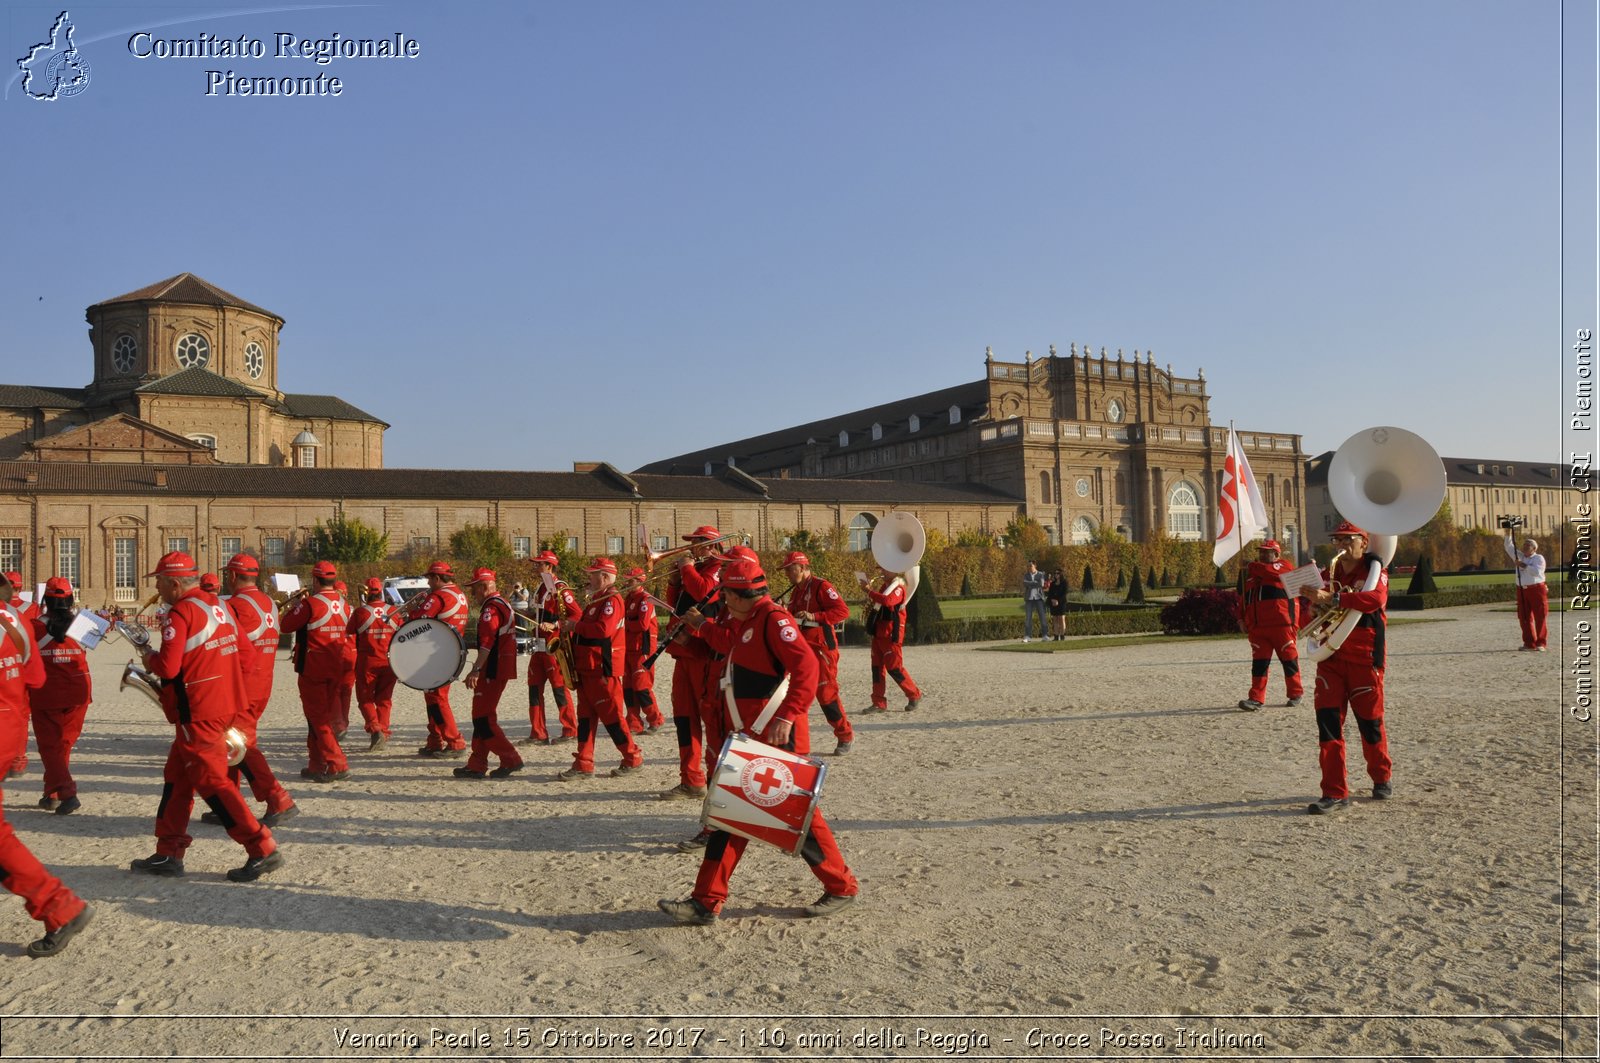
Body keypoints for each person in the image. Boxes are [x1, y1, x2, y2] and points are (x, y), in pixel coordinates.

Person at [658, 557, 860, 924]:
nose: (725, 603)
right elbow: (728, 643)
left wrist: (786, 715)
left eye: (727, 596)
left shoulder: (773, 619)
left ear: (738, 595)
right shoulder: (748, 619)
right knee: (730, 817)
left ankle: (842, 886)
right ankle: (705, 901)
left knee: (800, 817)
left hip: (776, 736)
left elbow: (807, 668)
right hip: (753, 737)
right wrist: (700, 630)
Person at [130, 551, 283, 881]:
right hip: (224, 705)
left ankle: (261, 847)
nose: (156, 587)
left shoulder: (180, 612)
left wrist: (149, 657)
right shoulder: (220, 606)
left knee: (212, 782)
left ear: (174, 583)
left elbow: (169, 667)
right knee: (177, 776)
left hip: (197, 711)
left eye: (158, 581)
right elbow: (245, 655)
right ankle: (168, 850)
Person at [0, 573, 93, 956]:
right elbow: (33, 675)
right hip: (41, 708)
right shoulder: (16, 620)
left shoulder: (33, 621)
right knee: (61, 748)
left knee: (55, 750)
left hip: (46, 700)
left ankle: (59, 906)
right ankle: (57, 789)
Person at [1297, 522, 1392, 814]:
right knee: (1327, 726)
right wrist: (1312, 608)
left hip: (1364, 659)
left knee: (1370, 724)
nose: (1340, 544)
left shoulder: (1376, 573)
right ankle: (1335, 792)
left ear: (1364, 542)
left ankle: (1381, 776)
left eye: (1347, 539)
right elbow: (1308, 610)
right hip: (1331, 660)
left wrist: (1335, 598)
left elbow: (1375, 599)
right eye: (1337, 539)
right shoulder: (1328, 575)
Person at [208, 554, 297, 827]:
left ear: (233, 576)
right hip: (264, 681)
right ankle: (229, 802)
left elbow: (221, 644)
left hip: (241, 685)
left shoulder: (234, 605)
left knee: (241, 745)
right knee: (233, 742)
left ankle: (278, 798)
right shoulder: (270, 603)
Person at [557, 558, 643, 780]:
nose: (589, 577)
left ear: (604, 577)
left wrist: (576, 626)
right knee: (585, 718)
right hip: (588, 667)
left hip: (602, 668)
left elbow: (604, 629)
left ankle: (632, 757)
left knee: (612, 716)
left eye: (593, 574)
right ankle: (583, 762)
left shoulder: (611, 600)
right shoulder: (599, 599)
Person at [657, 526, 724, 805]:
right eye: (693, 543)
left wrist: (685, 568)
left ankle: (717, 781)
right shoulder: (695, 570)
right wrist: (674, 581)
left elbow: (702, 592)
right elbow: (678, 605)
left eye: (698, 543)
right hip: (683, 652)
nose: (693, 548)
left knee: (710, 720)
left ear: (712, 546)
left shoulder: (718, 567)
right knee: (684, 719)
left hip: (703, 653)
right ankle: (690, 778)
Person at [278, 560, 352, 782]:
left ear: (315, 580)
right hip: (337, 665)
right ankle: (316, 764)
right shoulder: (344, 602)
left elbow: (285, 625)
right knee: (321, 718)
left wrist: (294, 606)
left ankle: (337, 764)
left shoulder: (311, 603)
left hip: (314, 668)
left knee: (317, 718)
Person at [781, 550, 854, 755]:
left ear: (803, 567)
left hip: (822, 649)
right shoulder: (797, 590)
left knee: (826, 694)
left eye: (790, 569)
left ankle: (845, 736)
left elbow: (843, 611)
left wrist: (815, 615)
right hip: (803, 648)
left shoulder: (822, 586)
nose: (787, 573)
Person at [28, 578, 90, 816]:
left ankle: (67, 792)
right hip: (79, 692)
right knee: (63, 745)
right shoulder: (82, 624)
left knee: (50, 747)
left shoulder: (34, 627)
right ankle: (51, 793)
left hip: (48, 693)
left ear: (46, 601)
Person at [458, 568, 524, 779]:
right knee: (483, 717)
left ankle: (510, 758)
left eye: (475, 589)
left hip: (492, 669)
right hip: (500, 667)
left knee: (483, 719)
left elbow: (487, 643)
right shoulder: (502, 603)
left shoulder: (490, 609)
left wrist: (475, 669)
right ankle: (477, 764)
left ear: (484, 587)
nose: (472, 594)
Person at [404, 561, 469, 757]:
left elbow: (419, 621)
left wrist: (411, 610)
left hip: (437, 654)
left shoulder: (438, 596)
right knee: (433, 697)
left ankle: (455, 742)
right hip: (452, 650)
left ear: (437, 578)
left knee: (437, 699)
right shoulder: (459, 594)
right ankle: (435, 740)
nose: (428, 583)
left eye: (429, 579)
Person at [1237, 539, 1304, 711]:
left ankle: (1295, 693)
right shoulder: (1251, 576)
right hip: (1258, 627)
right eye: (1261, 551)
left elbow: (1271, 572)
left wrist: (1251, 565)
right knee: (1259, 664)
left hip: (1282, 625)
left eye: (1267, 552)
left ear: (1277, 554)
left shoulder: (1284, 567)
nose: (1263, 554)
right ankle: (1256, 699)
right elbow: (1244, 599)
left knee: (1289, 661)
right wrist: (1241, 618)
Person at [521, 551, 579, 746]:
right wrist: (525, 613)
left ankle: (570, 729)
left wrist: (555, 626)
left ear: (550, 566)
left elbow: (576, 615)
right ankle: (538, 733)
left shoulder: (561, 588)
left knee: (559, 689)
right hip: (538, 646)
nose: (536, 567)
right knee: (533, 688)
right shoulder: (540, 587)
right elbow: (540, 613)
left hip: (554, 646)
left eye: (540, 564)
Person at [858, 564, 922, 712]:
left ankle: (914, 694)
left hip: (891, 634)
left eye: (885, 569)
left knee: (895, 668)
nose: (882, 572)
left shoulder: (898, 587)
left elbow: (887, 601)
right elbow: (879, 602)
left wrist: (869, 591)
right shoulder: (886, 586)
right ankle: (878, 702)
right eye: (881, 569)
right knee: (876, 669)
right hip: (880, 633)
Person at [346, 577, 398, 750]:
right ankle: (383, 730)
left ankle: (375, 728)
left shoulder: (361, 612)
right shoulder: (393, 611)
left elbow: (349, 631)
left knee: (365, 698)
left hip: (367, 661)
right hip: (390, 661)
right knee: (385, 699)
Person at [620, 567, 665, 735]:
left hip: (642, 649)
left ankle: (655, 719)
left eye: (630, 580)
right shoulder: (628, 598)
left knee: (641, 686)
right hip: (629, 647)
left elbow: (642, 625)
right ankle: (633, 722)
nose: (626, 583)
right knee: (628, 687)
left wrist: (624, 625)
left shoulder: (646, 599)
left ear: (640, 581)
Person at [4, 571, 37, 780]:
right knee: (20, 716)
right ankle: (18, 759)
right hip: (19, 669)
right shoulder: (31, 608)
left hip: (3, 666)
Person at [1504, 530, 1549, 651]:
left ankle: (1541, 643)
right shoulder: (1520, 556)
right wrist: (1508, 533)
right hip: (1522, 590)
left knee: (1540, 616)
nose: (1524, 547)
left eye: (1527, 545)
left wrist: (1523, 565)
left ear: (1534, 548)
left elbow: (1537, 572)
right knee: (1524, 617)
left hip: (1536, 589)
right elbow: (1509, 547)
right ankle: (1529, 643)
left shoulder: (1539, 558)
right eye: (1524, 545)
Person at [332, 579, 357, 739]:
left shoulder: (328, 609)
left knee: (334, 691)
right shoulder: (353, 609)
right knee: (346, 693)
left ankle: (338, 724)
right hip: (352, 654)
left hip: (336, 654)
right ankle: (344, 723)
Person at [1022, 561, 1047, 642]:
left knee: (1042, 617)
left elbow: (1041, 584)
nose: (1029, 567)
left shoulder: (1040, 574)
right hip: (1029, 599)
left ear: (1035, 566)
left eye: (1031, 566)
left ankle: (1045, 635)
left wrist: (1030, 584)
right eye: (1028, 566)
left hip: (1039, 598)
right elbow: (1024, 583)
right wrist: (1034, 582)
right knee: (1028, 618)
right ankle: (1027, 636)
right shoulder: (1026, 575)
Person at [1046, 570, 1068, 640]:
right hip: (1053, 603)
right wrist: (1052, 600)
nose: (1056, 575)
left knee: (1061, 619)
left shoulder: (1064, 583)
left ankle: (1062, 635)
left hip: (1061, 603)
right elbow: (1050, 594)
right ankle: (1056, 636)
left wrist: (1058, 601)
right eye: (1055, 573)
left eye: (1058, 573)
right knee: (1055, 619)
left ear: (1061, 574)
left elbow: (1064, 593)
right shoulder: (1052, 584)